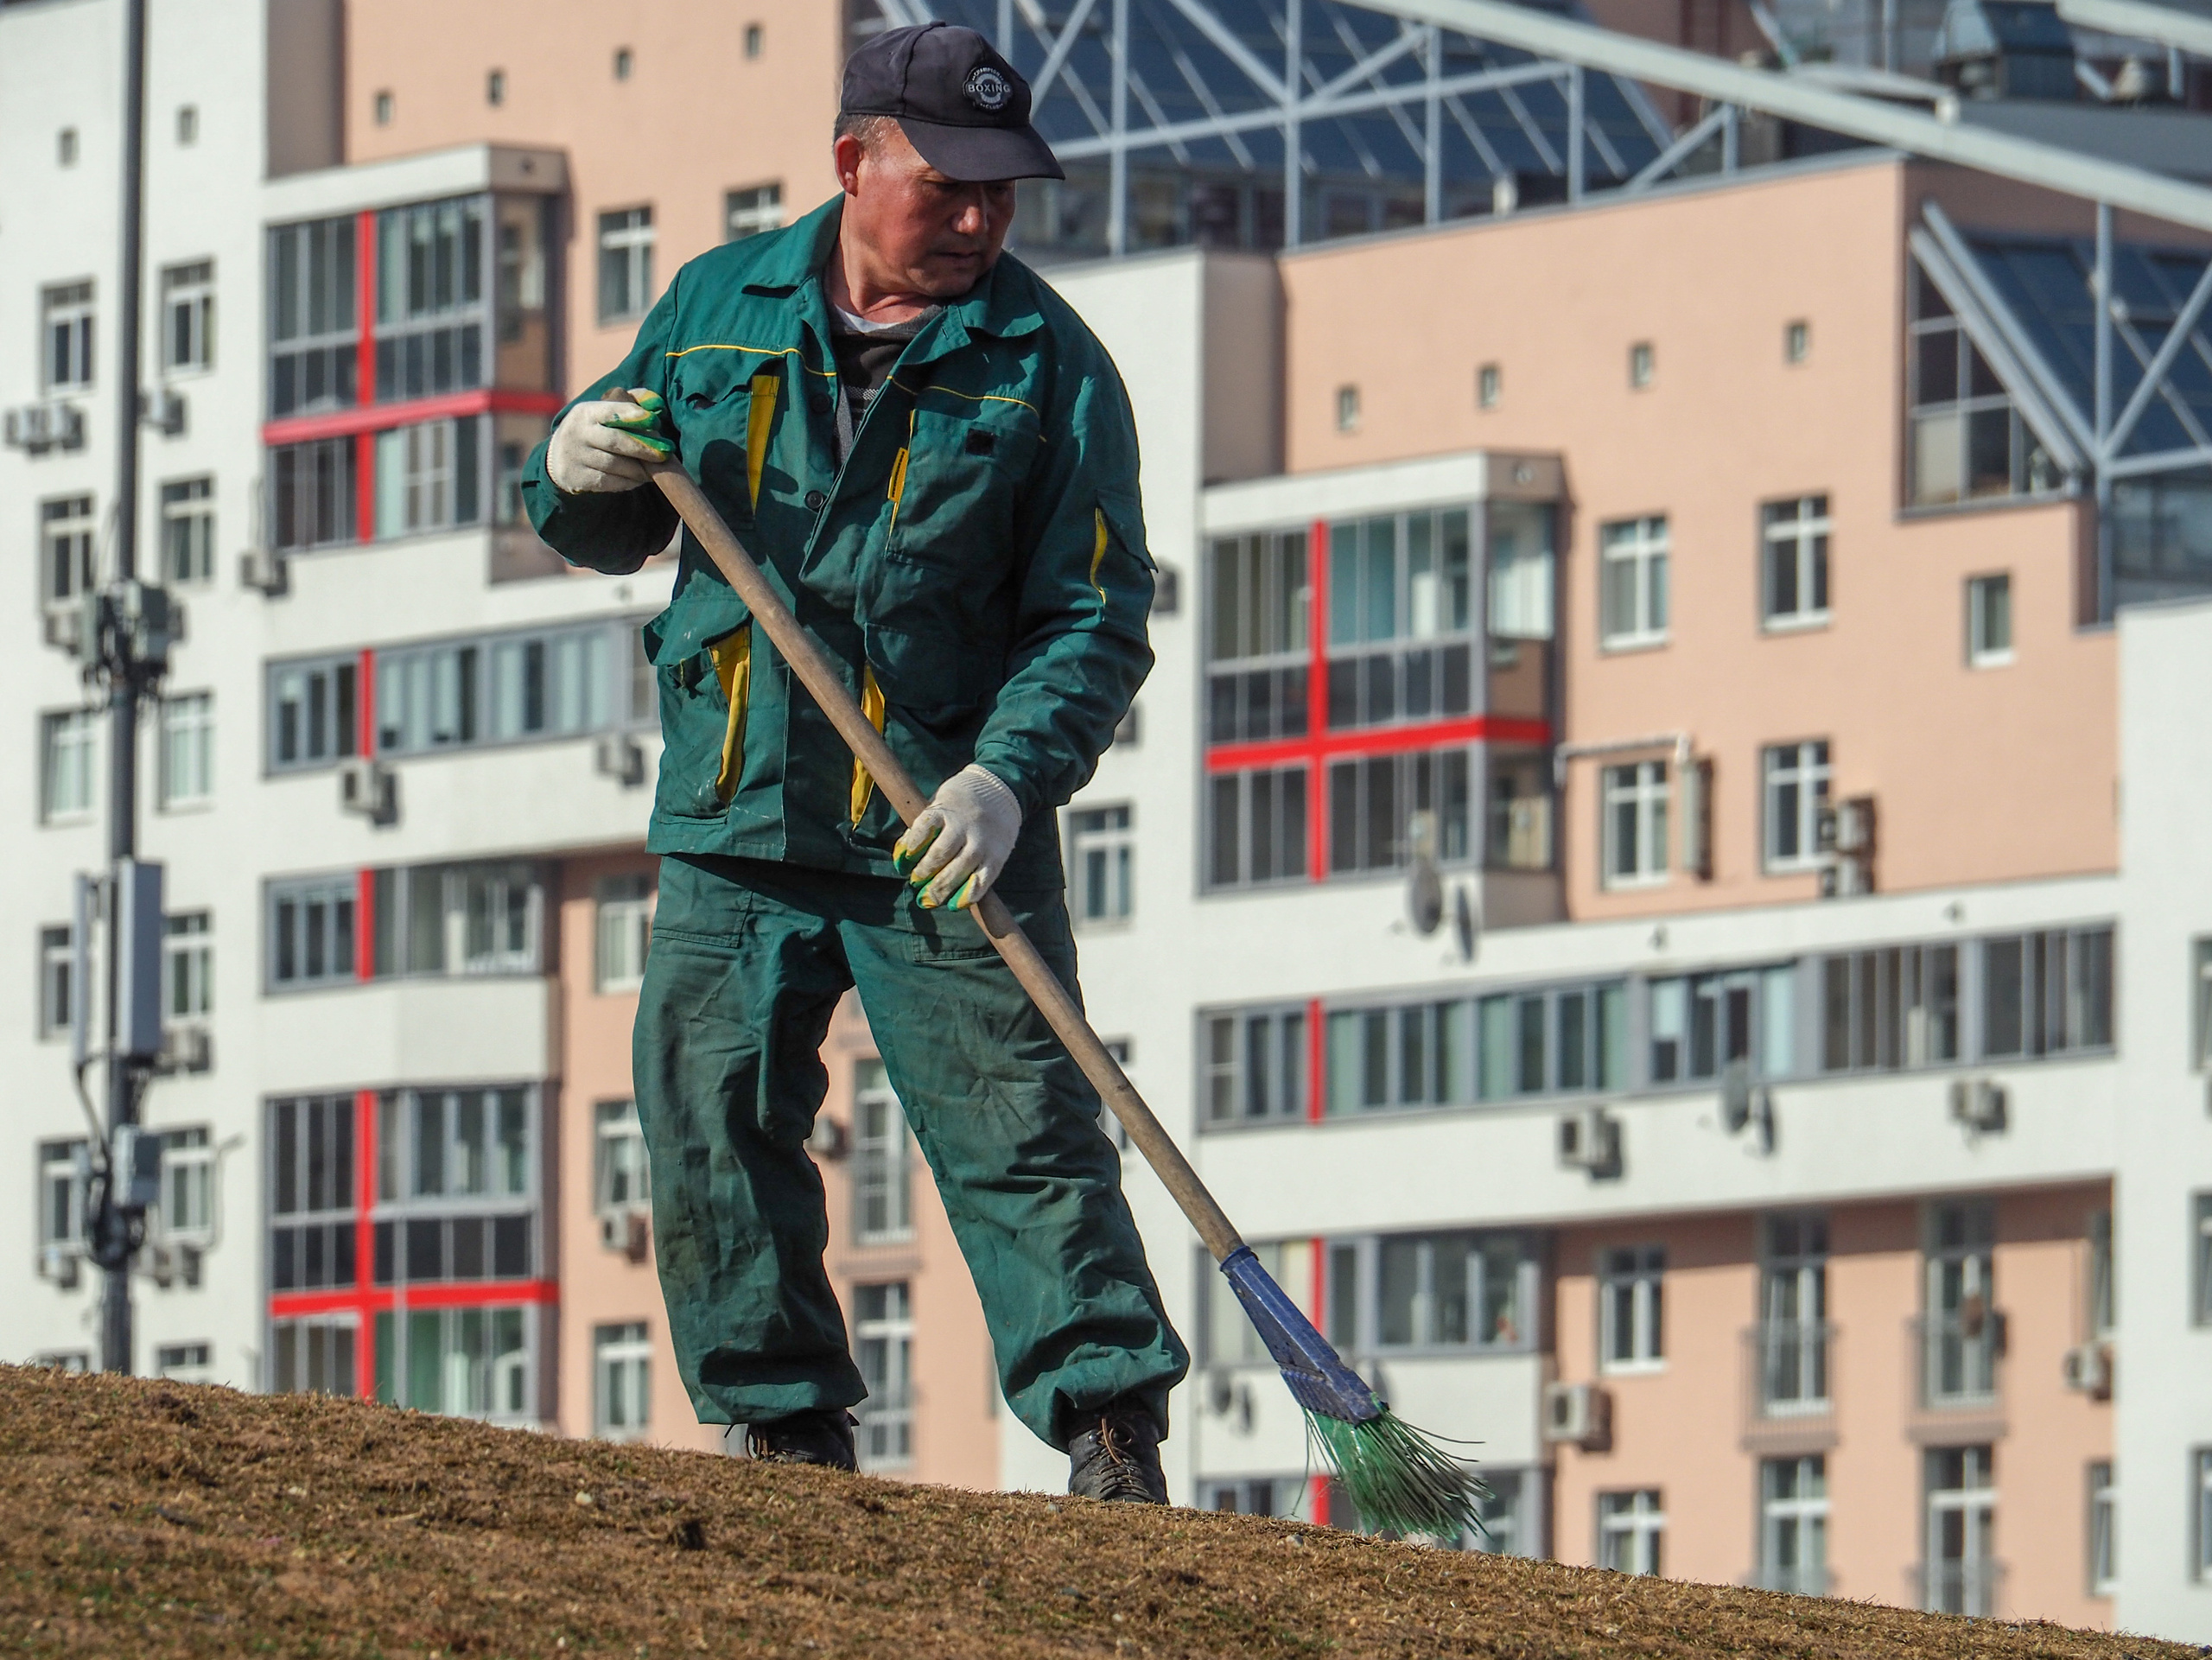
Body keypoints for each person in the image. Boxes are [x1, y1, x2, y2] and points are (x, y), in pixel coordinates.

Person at [521, 21, 1187, 1503]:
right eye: (947, 186)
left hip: (938, 824)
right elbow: (615, 500)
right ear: (852, 163)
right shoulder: (713, 310)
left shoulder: (1050, 368)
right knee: (708, 1108)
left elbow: (1094, 614)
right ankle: (786, 1429)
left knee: (1024, 1127)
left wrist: (1008, 778)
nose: (976, 221)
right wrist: (566, 467)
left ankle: (1107, 1428)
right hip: (735, 812)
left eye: (1002, 194)